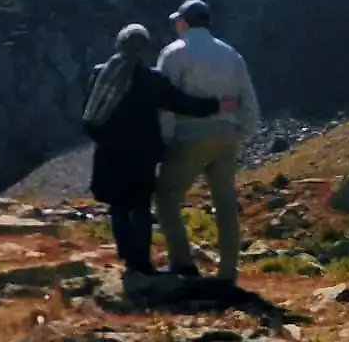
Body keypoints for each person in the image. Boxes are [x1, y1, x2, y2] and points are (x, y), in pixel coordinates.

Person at [80, 23, 235, 275]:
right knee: (141, 206)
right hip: (142, 154)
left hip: (110, 152)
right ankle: (142, 261)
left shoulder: (100, 75)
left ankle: (127, 257)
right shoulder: (152, 80)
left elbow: (89, 113)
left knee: (118, 205)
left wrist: (103, 139)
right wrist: (217, 105)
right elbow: (183, 104)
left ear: (119, 45)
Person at [152, 0, 261, 282]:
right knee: (225, 203)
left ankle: (182, 264)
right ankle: (228, 272)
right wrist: (243, 131)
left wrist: (163, 139)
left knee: (166, 198)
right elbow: (247, 97)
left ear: (185, 22)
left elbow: (164, 101)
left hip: (190, 134)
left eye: (178, 20)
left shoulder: (174, 54)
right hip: (226, 134)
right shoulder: (230, 54)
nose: (176, 24)